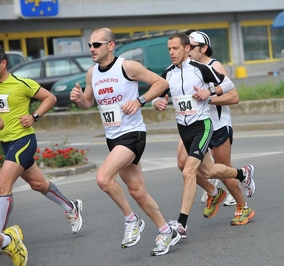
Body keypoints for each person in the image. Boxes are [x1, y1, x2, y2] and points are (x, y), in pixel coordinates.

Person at [70, 28, 180, 256]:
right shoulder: (92, 73)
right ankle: (166, 230)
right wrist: (81, 99)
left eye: (97, 44)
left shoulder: (126, 66)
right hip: (113, 137)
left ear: (110, 46)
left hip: (132, 134)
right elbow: (88, 102)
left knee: (103, 178)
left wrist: (140, 100)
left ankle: (132, 220)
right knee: (138, 191)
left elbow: (160, 83)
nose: (92, 48)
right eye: (90, 45)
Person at [156, 32, 256, 238]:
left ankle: (243, 206)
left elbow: (234, 96)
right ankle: (214, 192)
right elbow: (165, 91)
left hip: (217, 125)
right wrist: (160, 101)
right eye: (188, 46)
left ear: (203, 48)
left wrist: (207, 96)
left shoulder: (212, 67)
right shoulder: (177, 70)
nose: (189, 49)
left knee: (220, 171)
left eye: (193, 46)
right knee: (184, 164)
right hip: (192, 124)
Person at [0, 47, 83, 266]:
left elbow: (50, 97)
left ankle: (4, 239)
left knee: (2, 185)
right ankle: (71, 207)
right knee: (38, 184)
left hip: (23, 140)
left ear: (3, 64)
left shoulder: (21, 83)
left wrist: (34, 116)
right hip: (5, 142)